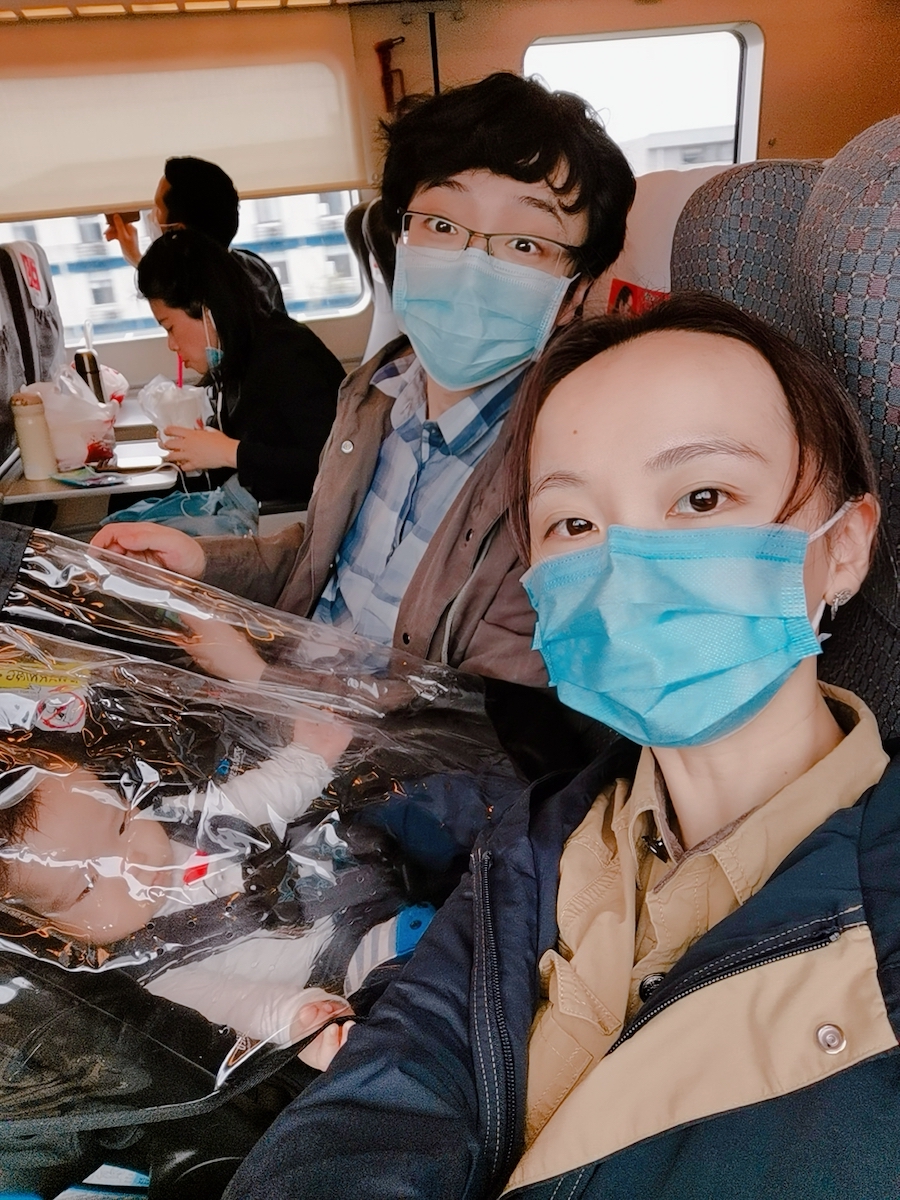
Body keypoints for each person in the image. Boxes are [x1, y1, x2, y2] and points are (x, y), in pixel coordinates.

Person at [221, 293, 900, 1200]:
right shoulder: (533, 840)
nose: (622, 565)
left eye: (701, 497)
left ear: (845, 545)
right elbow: (372, 1117)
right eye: (573, 524)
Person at [91, 73, 636, 718]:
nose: (469, 261)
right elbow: (320, 556)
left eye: (523, 242)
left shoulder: (564, 468)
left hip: (362, 767)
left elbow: (486, 723)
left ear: (573, 293)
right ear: (402, 241)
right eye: (441, 223)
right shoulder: (378, 390)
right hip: (285, 693)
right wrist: (200, 560)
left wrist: (263, 685)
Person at [0, 708, 436, 1071]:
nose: (132, 862)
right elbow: (233, 1004)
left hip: (355, 873)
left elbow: (254, 797)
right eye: (88, 884)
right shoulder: (155, 966)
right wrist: (297, 1019)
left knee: (422, 803)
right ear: (50, 929)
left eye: (121, 823)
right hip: (335, 962)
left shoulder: (178, 821)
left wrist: (310, 755)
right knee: (407, 973)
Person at [134, 228, 345, 505]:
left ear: (205, 308)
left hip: (296, 518)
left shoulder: (287, 354)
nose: (171, 345)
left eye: (170, 327)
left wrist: (228, 452)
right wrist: (197, 446)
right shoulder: (234, 360)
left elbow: (331, 463)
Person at [105, 155, 287, 314]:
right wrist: (137, 258)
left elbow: (179, 293)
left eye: (158, 208)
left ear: (178, 230)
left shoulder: (209, 297)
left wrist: (139, 260)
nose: (151, 216)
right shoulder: (252, 266)